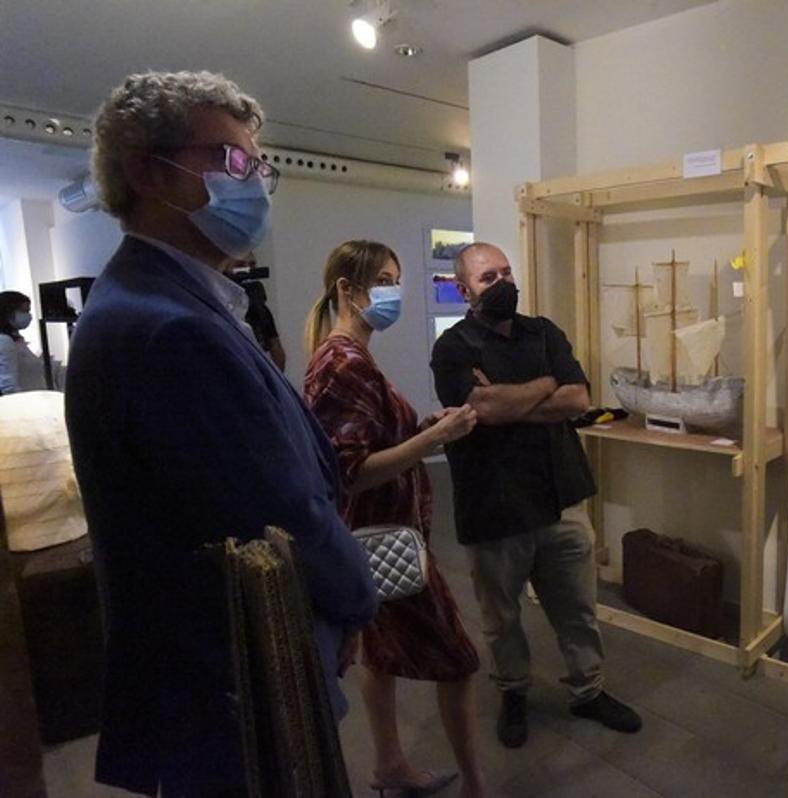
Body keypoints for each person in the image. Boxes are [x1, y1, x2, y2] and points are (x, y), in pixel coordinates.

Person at [63, 70, 377, 796]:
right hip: (230, 677)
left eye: (260, 167)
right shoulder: (165, 327)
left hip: (218, 672)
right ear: (148, 171)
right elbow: (276, 511)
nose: (255, 183)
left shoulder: (168, 301)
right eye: (233, 160)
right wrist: (358, 598)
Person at [430, 242, 642, 749]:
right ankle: (514, 693)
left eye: (506, 273)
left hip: (561, 496)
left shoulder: (544, 331)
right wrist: (547, 384)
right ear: (463, 289)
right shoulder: (452, 348)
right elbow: (482, 408)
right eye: (488, 278)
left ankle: (589, 690)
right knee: (501, 617)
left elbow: (578, 398)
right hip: (493, 505)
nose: (502, 283)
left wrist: (507, 399)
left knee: (577, 608)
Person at [303, 240, 486, 798]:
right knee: (458, 660)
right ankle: (476, 787)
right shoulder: (344, 364)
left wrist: (420, 428)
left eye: (395, 280)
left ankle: (389, 765)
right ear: (347, 289)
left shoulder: (346, 357)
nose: (394, 292)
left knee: (379, 654)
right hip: (387, 540)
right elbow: (349, 472)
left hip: (376, 536)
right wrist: (436, 437)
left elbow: (366, 441)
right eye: (383, 281)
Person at [0, 290, 63, 393]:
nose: (28, 316)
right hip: (25, 400)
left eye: (28, 311)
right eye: (23, 311)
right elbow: (9, 385)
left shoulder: (17, 340)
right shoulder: (5, 341)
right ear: (7, 313)